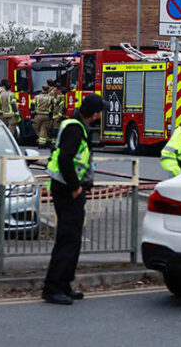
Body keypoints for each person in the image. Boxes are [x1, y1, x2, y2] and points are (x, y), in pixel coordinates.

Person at [42, 93, 104, 306]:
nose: (101, 115)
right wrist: (76, 187)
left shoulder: (76, 126)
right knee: (67, 241)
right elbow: (65, 158)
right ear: (95, 114)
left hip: (69, 191)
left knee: (73, 240)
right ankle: (53, 288)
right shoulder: (75, 129)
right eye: (100, 112)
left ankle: (64, 285)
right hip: (68, 192)